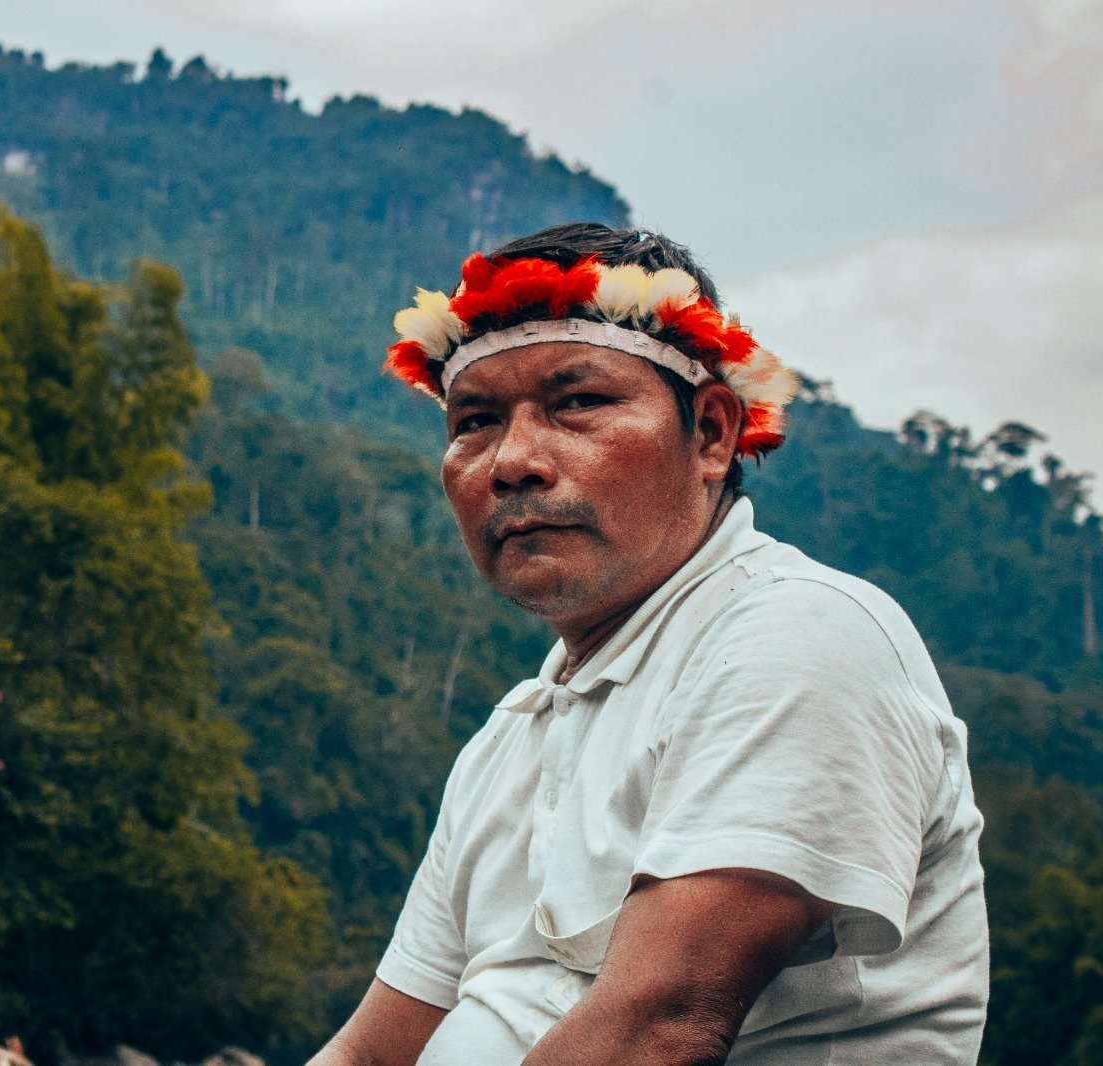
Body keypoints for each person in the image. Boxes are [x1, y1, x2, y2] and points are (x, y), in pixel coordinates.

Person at [309, 223, 990, 1065]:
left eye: (578, 403)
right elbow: (372, 1054)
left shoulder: (799, 634)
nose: (513, 461)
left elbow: (658, 1031)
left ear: (710, 433)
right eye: (475, 420)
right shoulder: (509, 741)